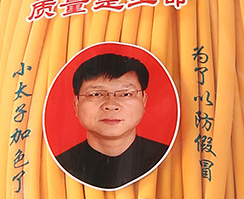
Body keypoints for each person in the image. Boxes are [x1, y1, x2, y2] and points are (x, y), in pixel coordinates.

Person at [55, 53, 169, 189]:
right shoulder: (58, 166)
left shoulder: (167, 158)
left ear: (144, 100)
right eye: (96, 94)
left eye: (125, 94)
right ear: (76, 103)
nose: (111, 105)